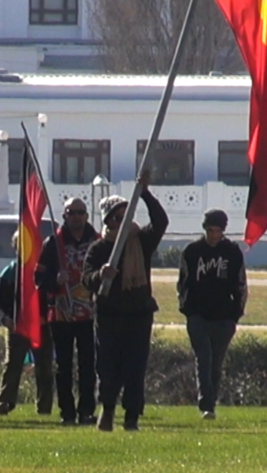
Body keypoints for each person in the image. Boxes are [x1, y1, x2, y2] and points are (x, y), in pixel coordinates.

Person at [81, 169, 168, 432]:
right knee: (108, 368)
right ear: (109, 221)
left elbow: (161, 221)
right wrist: (101, 274)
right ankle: (107, 410)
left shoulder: (141, 242)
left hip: (138, 314)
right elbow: (86, 278)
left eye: (126, 215)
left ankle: (132, 417)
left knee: (135, 368)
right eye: (118, 217)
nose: (124, 221)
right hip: (109, 316)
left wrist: (145, 193)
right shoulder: (98, 248)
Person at [177, 208, 247, 421]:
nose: (213, 235)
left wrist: (236, 314)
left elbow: (241, 284)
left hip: (224, 316)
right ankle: (205, 403)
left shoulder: (233, 252)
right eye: (210, 230)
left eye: (217, 231)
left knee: (216, 362)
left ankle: (212, 402)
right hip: (198, 314)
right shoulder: (192, 251)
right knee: (204, 359)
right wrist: (186, 308)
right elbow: (183, 282)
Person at [36, 197, 100, 426]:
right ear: (64, 216)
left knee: (88, 365)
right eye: (71, 213)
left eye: (80, 212)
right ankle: (67, 412)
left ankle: (86, 411)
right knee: (63, 366)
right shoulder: (52, 243)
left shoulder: (97, 241)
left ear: (87, 215)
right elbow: (38, 278)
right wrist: (54, 280)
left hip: (89, 314)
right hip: (61, 315)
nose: (76, 217)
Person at [0, 254, 53, 417]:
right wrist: (5, 319)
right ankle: (5, 402)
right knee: (13, 364)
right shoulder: (10, 272)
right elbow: (2, 302)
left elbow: (51, 294)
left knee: (44, 366)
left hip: (42, 326)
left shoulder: (43, 272)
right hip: (17, 326)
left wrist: (47, 316)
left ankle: (45, 406)